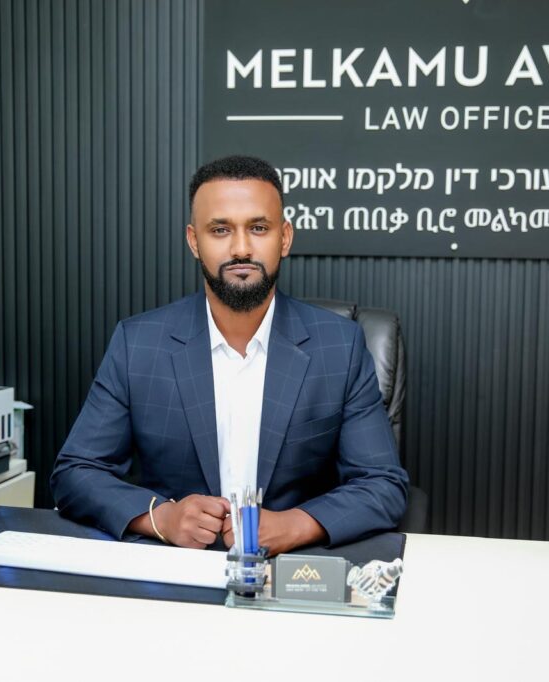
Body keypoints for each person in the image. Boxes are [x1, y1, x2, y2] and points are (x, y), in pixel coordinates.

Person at [51, 155, 407, 555]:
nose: (241, 248)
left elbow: (383, 484)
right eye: (220, 230)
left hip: (292, 569)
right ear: (194, 241)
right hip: (175, 567)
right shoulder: (138, 344)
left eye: (259, 228)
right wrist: (161, 518)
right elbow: (76, 472)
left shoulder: (339, 346)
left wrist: (293, 525)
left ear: (285, 238)